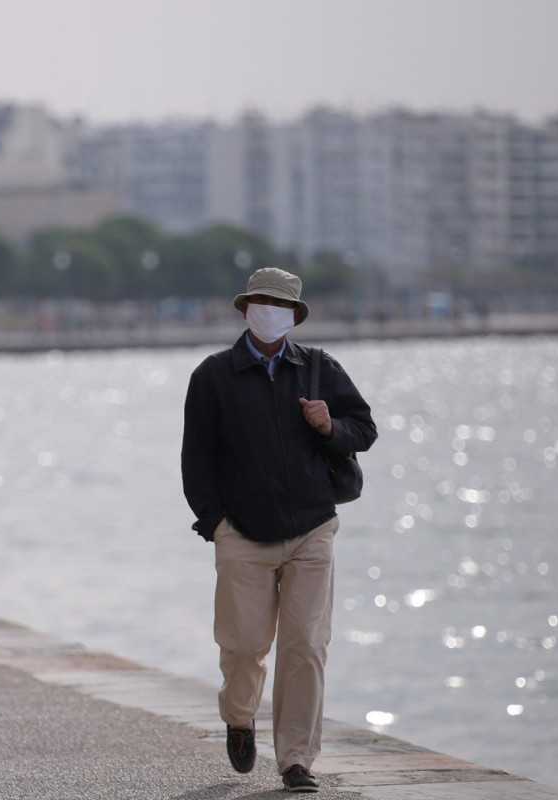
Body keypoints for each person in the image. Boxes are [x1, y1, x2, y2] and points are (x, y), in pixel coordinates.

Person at [180, 268, 377, 793]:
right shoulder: (213, 376)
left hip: (312, 529)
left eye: (281, 304)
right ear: (246, 308)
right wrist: (217, 525)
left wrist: (330, 426)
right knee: (244, 647)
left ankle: (296, 760)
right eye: (262, 301)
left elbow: (365, 429)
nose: (271, 310)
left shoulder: (318, 368)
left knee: (306, 645)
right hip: (242, 534)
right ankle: (239, 716)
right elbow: (196, 459)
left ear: (294, 315)